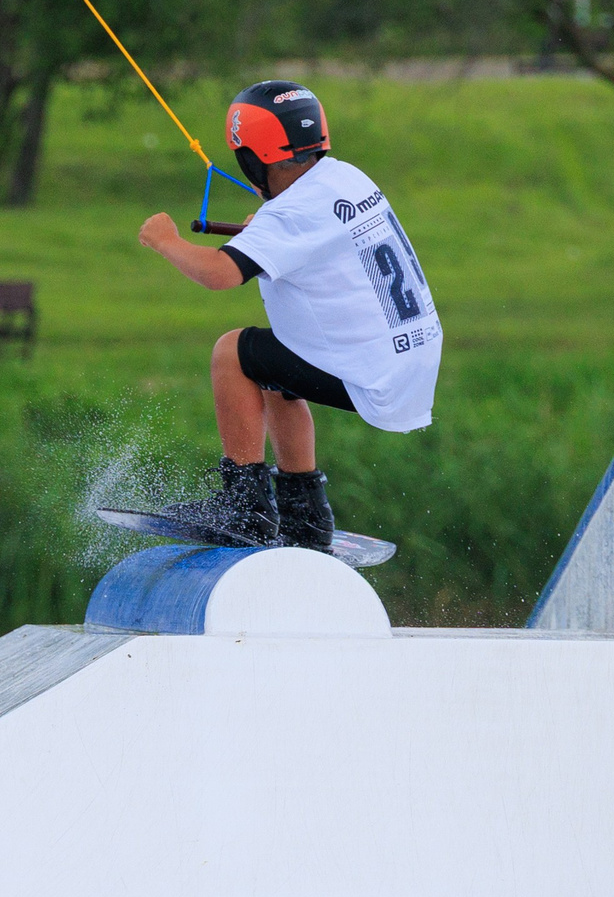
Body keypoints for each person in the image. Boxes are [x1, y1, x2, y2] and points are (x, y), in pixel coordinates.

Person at [135, 80, 441, 551]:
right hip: (410, 358)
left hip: (375, 373)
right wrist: (271, 227)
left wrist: (167, 240)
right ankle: (306, 517)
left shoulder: (291, 215)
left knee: (233, 353)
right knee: (275, 365)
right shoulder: (345, 178)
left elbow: (220, 274)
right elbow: (314, 233)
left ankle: (245, 511)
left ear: (251, 159)